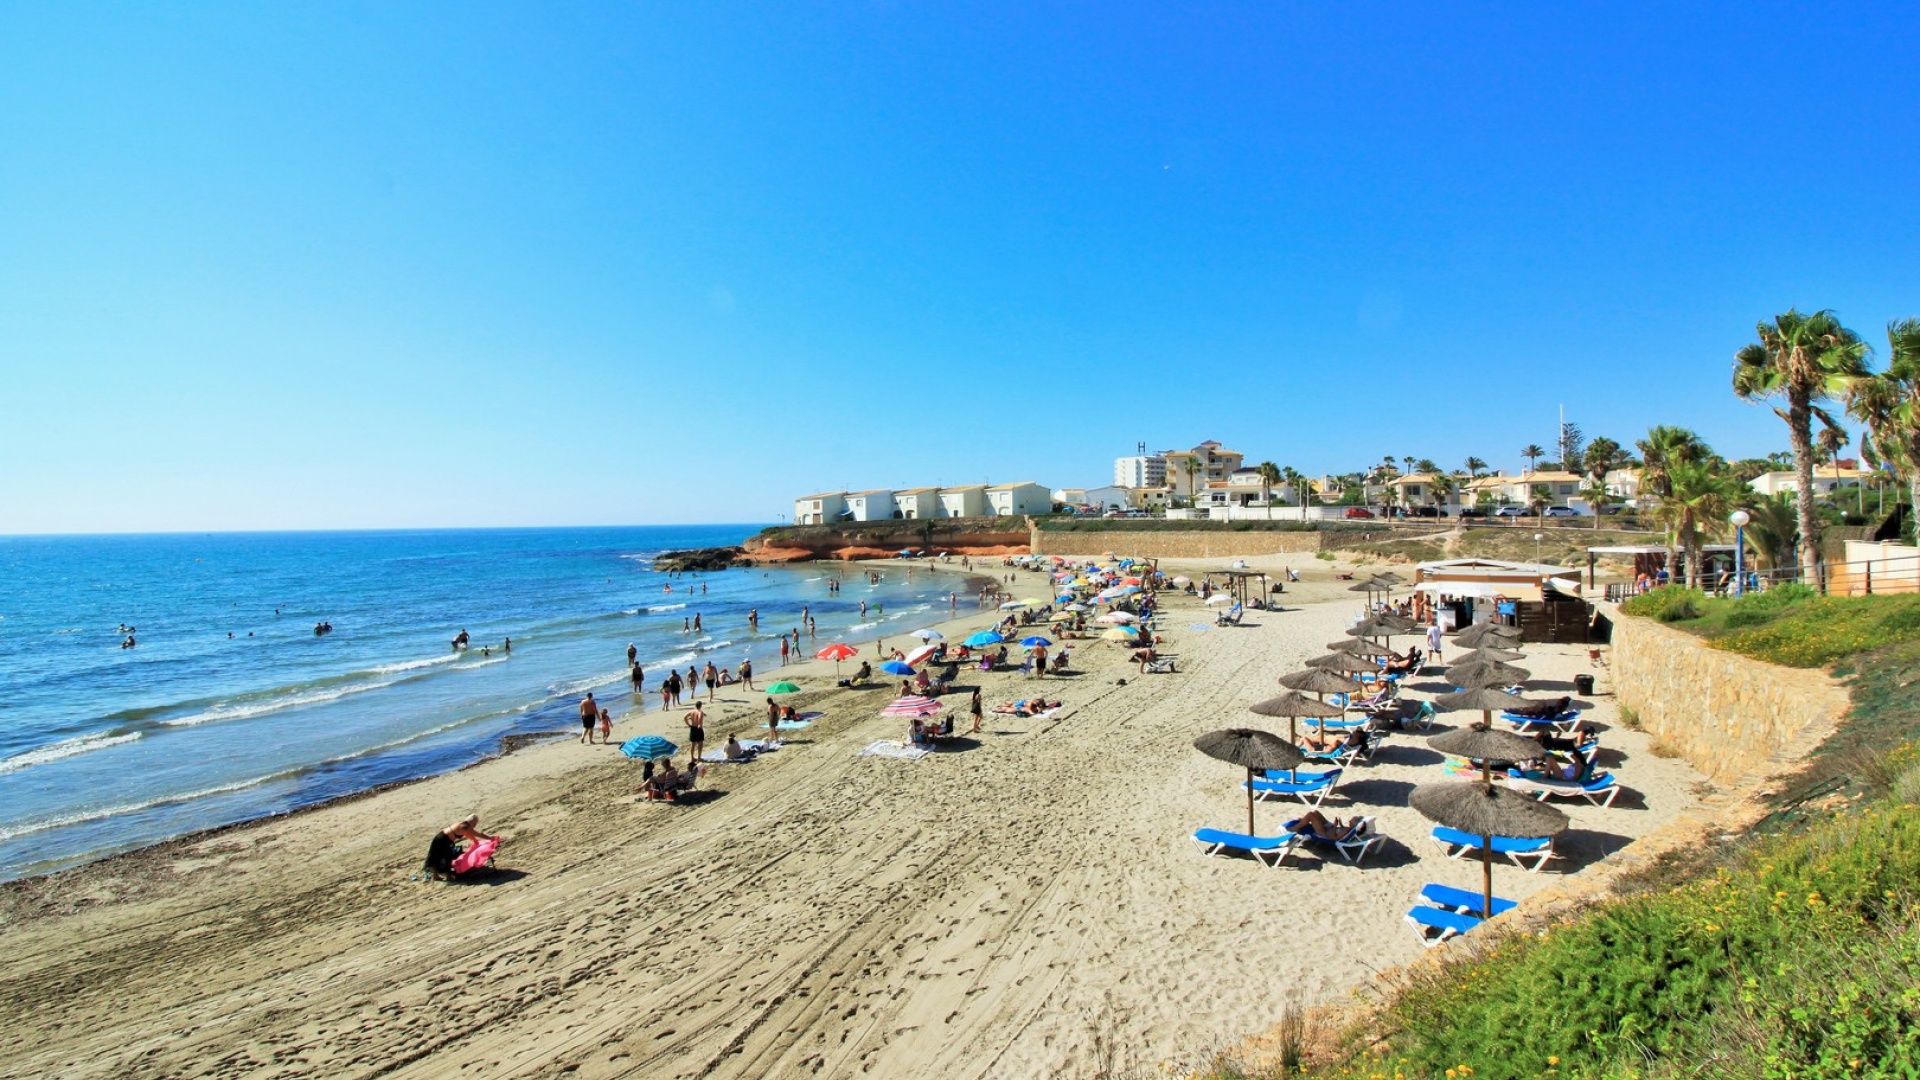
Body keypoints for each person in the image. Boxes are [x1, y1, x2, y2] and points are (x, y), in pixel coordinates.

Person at [423, 815, 498, 881]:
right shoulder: (466, 827)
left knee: (439, 856)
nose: (475, 825)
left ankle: (436, 875)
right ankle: (446, 876)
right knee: (445, 857)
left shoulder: (463, 824)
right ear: (471, 822)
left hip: (443, 838)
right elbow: (478, 834)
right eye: (475, 823)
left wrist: (475, 840)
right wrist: (490, 838)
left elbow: (467, 834)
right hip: (443, 839)